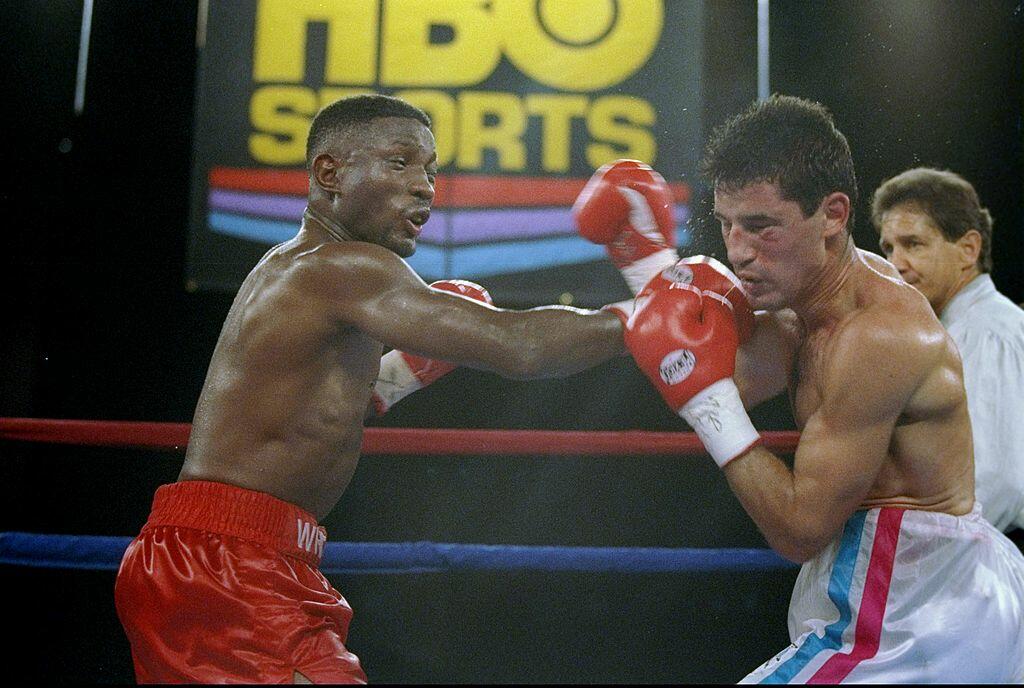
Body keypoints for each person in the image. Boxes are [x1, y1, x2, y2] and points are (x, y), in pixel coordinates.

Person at [113, 94, 625, 684]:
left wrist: (393, 378)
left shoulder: (293, 267)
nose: (424, 186)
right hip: (227, 565)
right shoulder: (345, 267)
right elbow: (518, 345)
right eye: (399, 162)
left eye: (430, 170)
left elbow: (298, 414)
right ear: (329, 173)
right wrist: (634, 322)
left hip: (228, 557)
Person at [580, 95, 1024, 683]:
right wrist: (647, 267)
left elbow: (798, 526)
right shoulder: (811, 307)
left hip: (914, 607)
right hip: (922, 588)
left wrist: (708, 401)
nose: (737, 250)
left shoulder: (893, 335)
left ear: (833, 214)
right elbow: (703, 367)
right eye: (726, 225)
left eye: (761, 227)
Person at [871, 167, 1024, 537]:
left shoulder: (987, 332)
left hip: (985, 553)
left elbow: (995, 481)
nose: (895, 263)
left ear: (968, 249)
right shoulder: (956, 330)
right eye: (888, 248)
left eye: (913, 244)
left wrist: (927, 561)